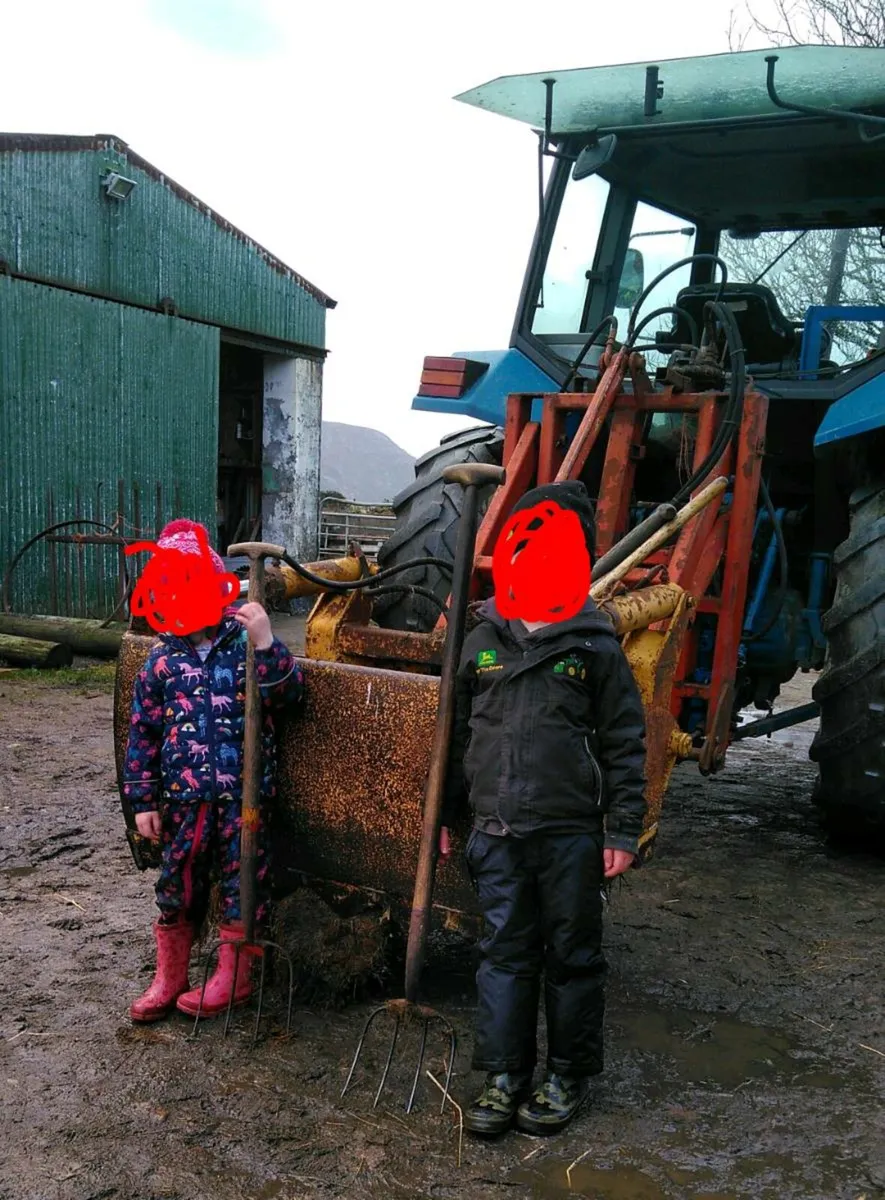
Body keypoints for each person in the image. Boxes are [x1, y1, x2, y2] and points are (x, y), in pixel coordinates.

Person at [439, 481, 647, 1136]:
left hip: (569, 837)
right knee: (503, 953)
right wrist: (446, 816)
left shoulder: (595, 648)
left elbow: (623, 744)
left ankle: (565, 1075)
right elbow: (453, 737)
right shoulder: (479, 641)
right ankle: (504, 1076)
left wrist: (622, 828)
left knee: (572, 955)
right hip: (496, 831)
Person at [123, 518, 304, 1022]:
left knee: (242, 879)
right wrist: (141, 803)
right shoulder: (160, 661)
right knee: (176, 880)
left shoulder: (243, 642)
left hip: (244, 801)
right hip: (182, 801)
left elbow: (289, 694)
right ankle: (171, 975)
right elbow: (143, 734)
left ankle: (235, 975)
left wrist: (268, 641)